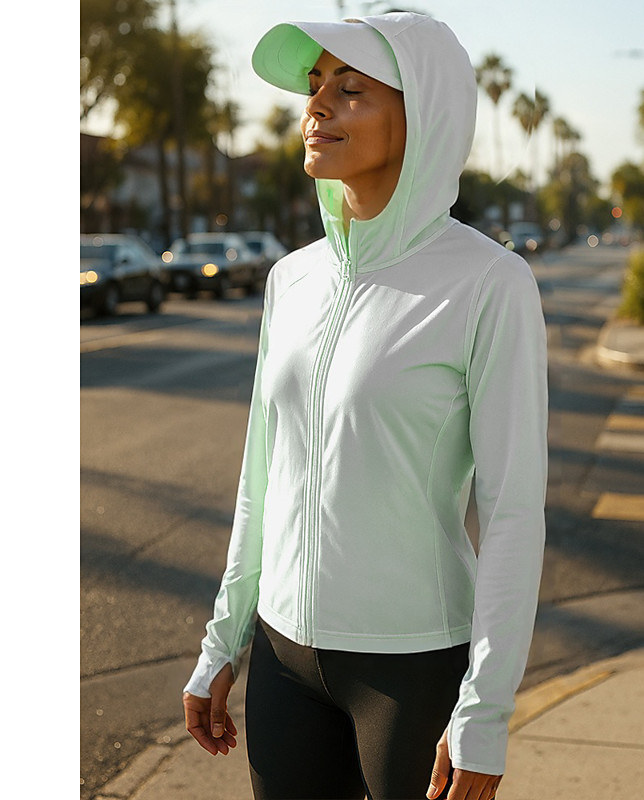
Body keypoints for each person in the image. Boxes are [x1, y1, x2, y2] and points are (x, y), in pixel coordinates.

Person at [182, 11, 548, 800]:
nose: (317, 105)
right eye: (315, 85)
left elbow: (513, 511)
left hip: (412, 666)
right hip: (283, 657)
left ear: (424, 114)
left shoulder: (489, 283)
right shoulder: (291, 279)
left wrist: (484, 711)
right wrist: (222, 643)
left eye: (351, 89)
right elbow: (260, 480)